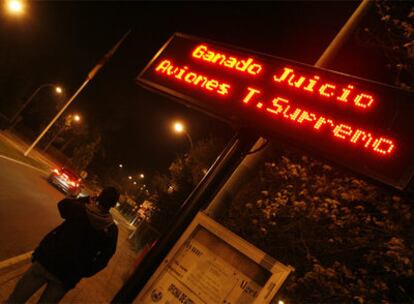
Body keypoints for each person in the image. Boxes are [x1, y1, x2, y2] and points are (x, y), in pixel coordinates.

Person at [6, 186, 120, 303]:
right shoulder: (111, 229)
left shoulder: (81, 208)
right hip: (67, 276)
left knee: (15, 300)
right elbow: (104, 258)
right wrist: (82, 271)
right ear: (113, 205)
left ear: (100, 196)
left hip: (47, 260)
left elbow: (63, 206)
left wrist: (85, 199)